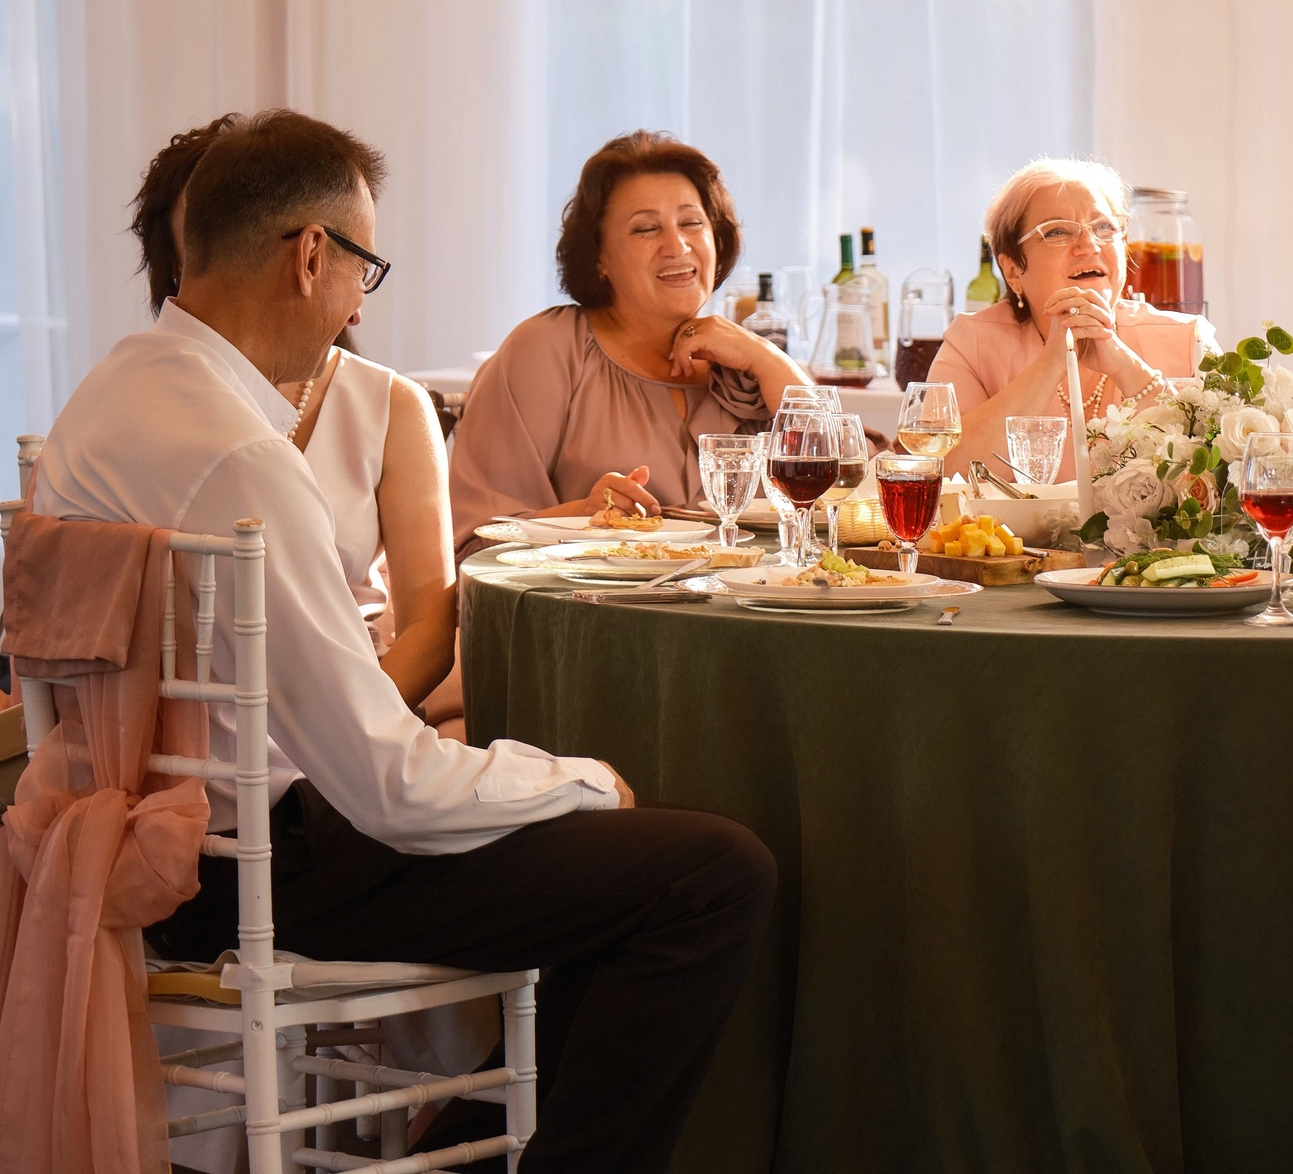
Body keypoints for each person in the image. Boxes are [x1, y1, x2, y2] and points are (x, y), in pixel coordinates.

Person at [42, 110, 775, 1172]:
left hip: (139, 841)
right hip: (255, 866)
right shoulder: (243, 460)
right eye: (363, 270)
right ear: (309, 255)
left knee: (622, 878)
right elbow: (387, 787)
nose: (355, 303)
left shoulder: (108, 395)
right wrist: (582, 781)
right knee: (713, 873)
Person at [130, 118, 458, 724]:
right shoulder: (141, 411)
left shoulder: (391, 406)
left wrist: (347, 736)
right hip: (198, 741)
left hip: (352, 720)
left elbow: (430, 625)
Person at [449, 131, 811, 543]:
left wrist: (767, 357)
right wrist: (583, 518)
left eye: (692, 222)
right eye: (645, 229)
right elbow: (474, 539)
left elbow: (843, 498)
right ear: (600, 257)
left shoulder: (744, 365)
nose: (677, 246)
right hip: (587, 605)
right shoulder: (548, 349)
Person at [931, 158, 1215, 475]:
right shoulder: (970, 343)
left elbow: (1220, 474)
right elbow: (938, 472)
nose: (1089, 244)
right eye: (1057, 232)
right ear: (1013, 270)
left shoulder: (1190, 340)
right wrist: (1051, 363)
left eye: (1105, 227)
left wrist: (1125, 365)